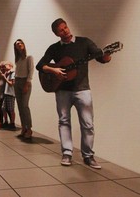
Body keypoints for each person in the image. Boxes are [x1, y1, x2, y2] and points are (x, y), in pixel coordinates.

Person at [36, 18, 111, 169]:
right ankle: (67, 153)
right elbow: (40, 65)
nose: (65, 31)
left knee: (88, 124)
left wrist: (106, 56)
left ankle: (88, 156)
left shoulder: (84, 42)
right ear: (56, 34)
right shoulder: (54, 48)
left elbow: (100, 57)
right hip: (62, 90)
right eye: (60, 30)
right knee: (64, 121)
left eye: (65, 27)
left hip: (82, 89)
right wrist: (53, 70)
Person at [14, 39, 34, 139]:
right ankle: (23, 127)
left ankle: (29, 129)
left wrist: (27, 84)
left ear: (23, 44)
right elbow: (17, 71)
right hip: (17, 82)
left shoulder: (28, 57)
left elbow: (31, 71)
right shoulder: (17, 59)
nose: (19, 45)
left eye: (20, 43)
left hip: (25, 82)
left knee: (25, 106)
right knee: (19, 106)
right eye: (17, 44)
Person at [0, 61, 16, 130]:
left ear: (10, 66)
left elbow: (11, 83)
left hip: (11, 94)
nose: (4, 67)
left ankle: (12, 123)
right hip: (6, 94)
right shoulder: (8, 73)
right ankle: (6, 122)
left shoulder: (13, 73)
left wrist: (4, 77)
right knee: (3, 108)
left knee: (11, 110)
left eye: (6, 65)